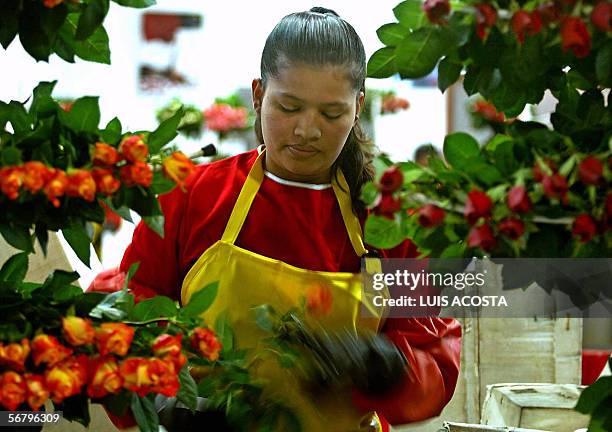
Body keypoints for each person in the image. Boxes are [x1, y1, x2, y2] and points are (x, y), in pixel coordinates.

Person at [91, 7, 461, 432]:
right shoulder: (193, 197)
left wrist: (387, 367)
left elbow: (434, 357)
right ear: (257, 94)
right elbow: (122, 317)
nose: (307, 130)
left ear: (358, 108)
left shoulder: (389, 222)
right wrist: (163, 401)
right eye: (289, 106)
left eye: (331, 114)